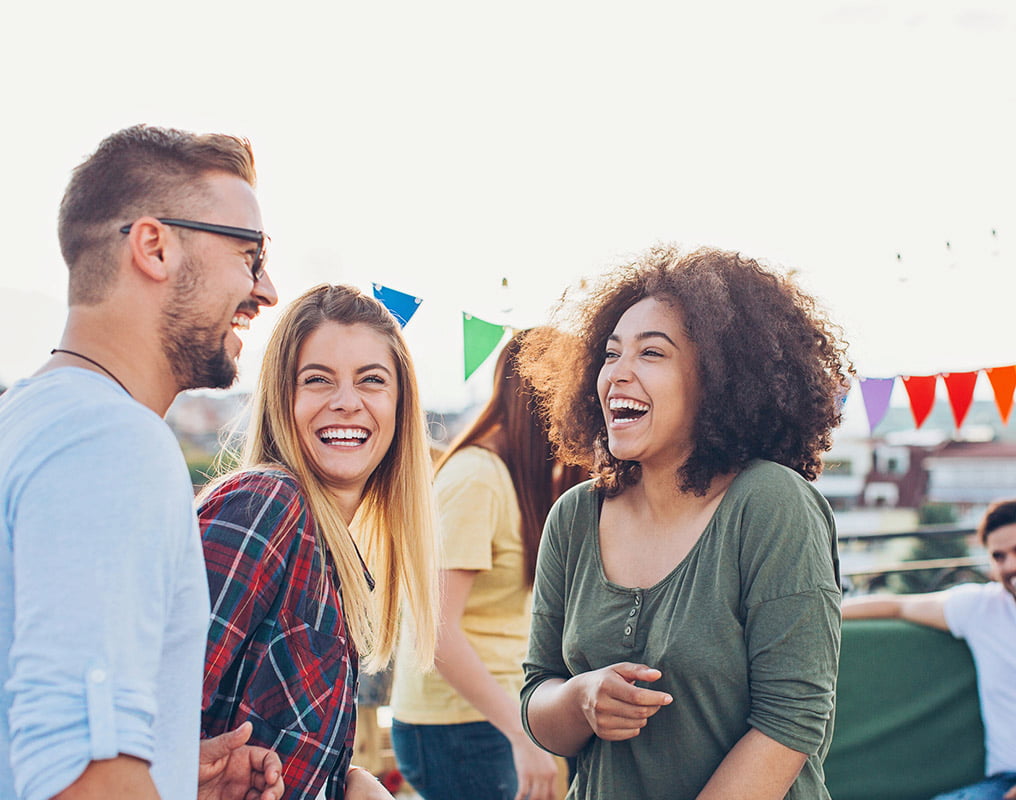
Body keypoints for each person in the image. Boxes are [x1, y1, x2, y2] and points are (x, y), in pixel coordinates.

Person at [0, 125, 284, 799]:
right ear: (154, 246)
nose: (266, 288)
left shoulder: (29, 419)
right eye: (250, 253)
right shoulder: (110, 441)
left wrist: (166, 772)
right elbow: (84, 774)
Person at [514, 245, 850, 799]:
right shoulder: (574, 515)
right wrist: (581, 699)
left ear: (718, 379)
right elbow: (537, 699)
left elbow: (792, 723)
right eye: (610, 354)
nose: (618, 375)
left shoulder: (771, 504)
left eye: (651, 353)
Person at [198, 283, 439, 800]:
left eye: (371, 381)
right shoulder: (268, 504)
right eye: (318, 380)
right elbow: (140, 729)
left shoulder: (335, 556)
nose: (346, 403)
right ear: (284, 399)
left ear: (401, 405)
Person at [389, 330, 585, 800]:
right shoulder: (477, 478)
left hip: (492, 715)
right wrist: (521, 734)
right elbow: (435, 631)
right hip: (460, 725)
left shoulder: (519, 480)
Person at [842, 499, 1016, 800]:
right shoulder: (981, 608)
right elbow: (897, 606)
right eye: (999, 556)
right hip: (1001, 782)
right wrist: (819, 612)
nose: (1010, 565)